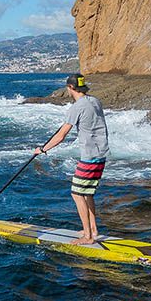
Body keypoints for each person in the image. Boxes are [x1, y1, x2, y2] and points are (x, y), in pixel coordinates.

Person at [34, 73, 109, 244]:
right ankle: (93, 229)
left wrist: (42, 150)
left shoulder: (76, 107)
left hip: (90, 157)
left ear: (70, 88)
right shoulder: (95, 101)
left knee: (77, 193)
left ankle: (88, 237)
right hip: (101, 154)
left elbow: (61, 136)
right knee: (87, 193)